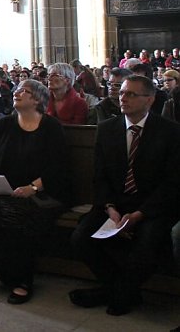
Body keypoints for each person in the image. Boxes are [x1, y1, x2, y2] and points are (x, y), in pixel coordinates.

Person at [69, 75, 180, 316]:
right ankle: (123, 290)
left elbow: (171, 184)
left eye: (131, 94)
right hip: (114, 204)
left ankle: (115, 292)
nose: (123, 98)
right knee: (81, 238)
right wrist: (110, 208)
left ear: (149, 100)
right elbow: (100, 176)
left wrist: (139, 214)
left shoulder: (169, 132)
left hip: (151, 208)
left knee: (148, 243)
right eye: (121, 92)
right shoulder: (108, 129)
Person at [0, 79, 72, 304]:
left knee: (16, 215)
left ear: (38, 100)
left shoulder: (50, 127)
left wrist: (32, 188)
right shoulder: (4, 124)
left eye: (25, 91)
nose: (17, 93)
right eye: (18, 89)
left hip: (40, 192)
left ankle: (19, 278)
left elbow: (59, 168)